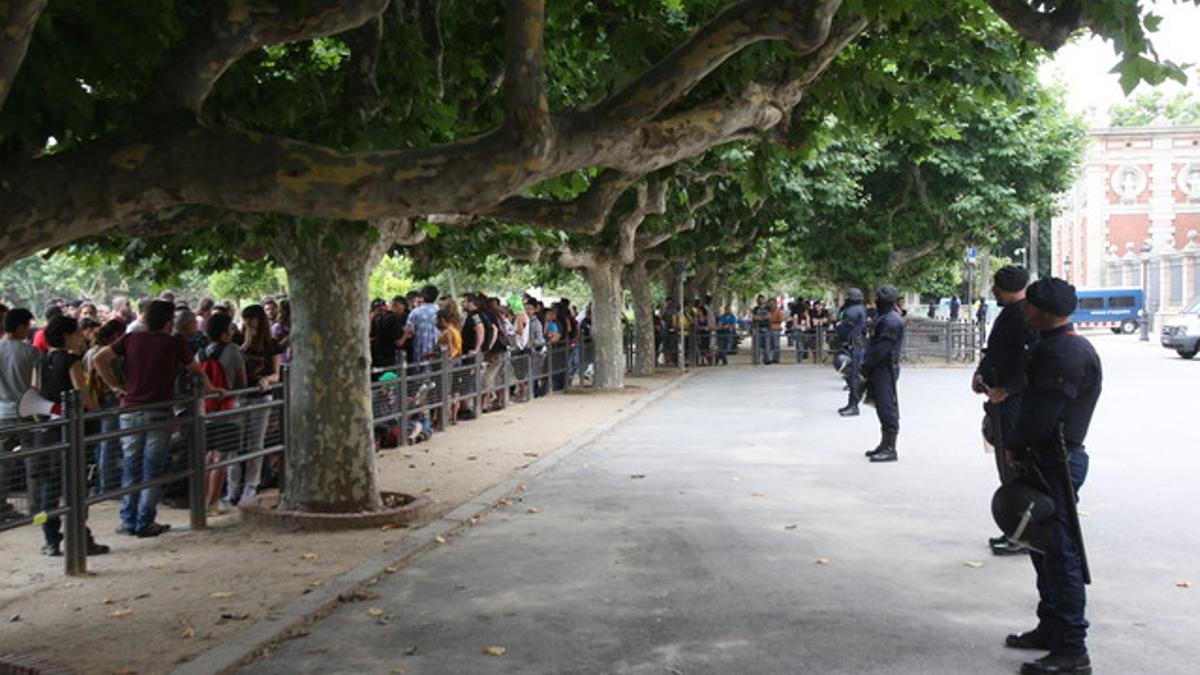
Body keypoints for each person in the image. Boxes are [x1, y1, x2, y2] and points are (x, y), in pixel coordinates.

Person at [1000, 277, 1101, 675]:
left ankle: (1072, 648)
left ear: (1044, 312)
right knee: (1042, 550)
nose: (1025, 311)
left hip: (1056, 462)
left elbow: (1042, 414)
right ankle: (1051, 629)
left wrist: (1015, 446)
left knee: (1060, 555)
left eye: (1030, 307)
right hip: (1043, 460)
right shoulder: (1052, 346)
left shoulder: (1066, 353)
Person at [94, 300, 220, 538]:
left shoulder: (131, 340)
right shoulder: (174, 344)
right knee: (152, 468)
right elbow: (195, 369)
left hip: (129, 410)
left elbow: (99, 358)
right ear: (168, 321)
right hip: (158, 411)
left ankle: (128, 520)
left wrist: (115, 386)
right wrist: (210, 387)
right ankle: (145, 521)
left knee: (131, 466)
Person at [27, 316, 108, 556]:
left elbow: (33, 396)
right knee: (76, 486)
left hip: (48, 432)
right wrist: (97, 412)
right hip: (70, 431)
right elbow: (82, 394)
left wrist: (41, 424)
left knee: (49, 490)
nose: (80, 337)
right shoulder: (72, 361)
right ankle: (79, 536)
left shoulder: (40, 361)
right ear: (66, 336)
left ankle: (51, 540)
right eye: (75, 333)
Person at [974, 266, 1037, 556]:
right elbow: (997, 351)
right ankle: (1014, 528)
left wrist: (1006, 390)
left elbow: (1028, 363)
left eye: (997, 287)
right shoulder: (1012, 313)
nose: (994, 292)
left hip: (1013, 402)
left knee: (1014, 467)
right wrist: (981, 373)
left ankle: (1022, 533)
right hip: (1000, 398)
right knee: (1005, 465)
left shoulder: (1025, 317)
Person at [228, 305, 282, 505]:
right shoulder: (236, 341)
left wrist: (267, 379)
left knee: (255, 443)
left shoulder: (271, 344)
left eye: (251, 319)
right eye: (245, 319)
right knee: (234, 444)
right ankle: (233, 488)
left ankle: (251, 487)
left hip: (260, 397)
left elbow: (276, 374)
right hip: (240, 397)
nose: (248, 323)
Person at [1, 308, 38, 523]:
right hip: (25, 412)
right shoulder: (30, 352)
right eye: (28, 326)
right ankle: (35, 505)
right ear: (20, 326)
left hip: (1, 414)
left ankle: (1, 507)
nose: (29, 330)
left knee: (2, 463)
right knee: (33, 461)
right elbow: (36, 385)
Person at [862, 285, 905, 462]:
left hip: (884, 368)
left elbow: (882, 350)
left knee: (887, 406)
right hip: (878, 367)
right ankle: (884, 443)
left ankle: (890, 448)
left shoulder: (892, 321)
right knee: (880, 405)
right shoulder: (885, 317)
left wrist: (865, 364)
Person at [836, 288, 868, 416]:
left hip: (853, 346)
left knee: (853, 376)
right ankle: (851, 403)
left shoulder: (851, 311)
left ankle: (854, 405)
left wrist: (838, 326)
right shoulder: (860, 308)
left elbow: (843, 330)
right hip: (857, 345)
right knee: (852, 375)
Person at [750, 295, 771, 364]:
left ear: (764, 300)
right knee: (757, 345)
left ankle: (766, 359)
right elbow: (754, 317)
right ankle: (757, 360)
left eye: (762, 299)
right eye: (759, 300)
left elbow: (768, 316)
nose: (760, 301)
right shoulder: (755, 309)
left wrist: (760, 318)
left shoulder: (768, 308)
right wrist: (763, 317)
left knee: (767, 345)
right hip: (757, 328)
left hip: (766, 328)